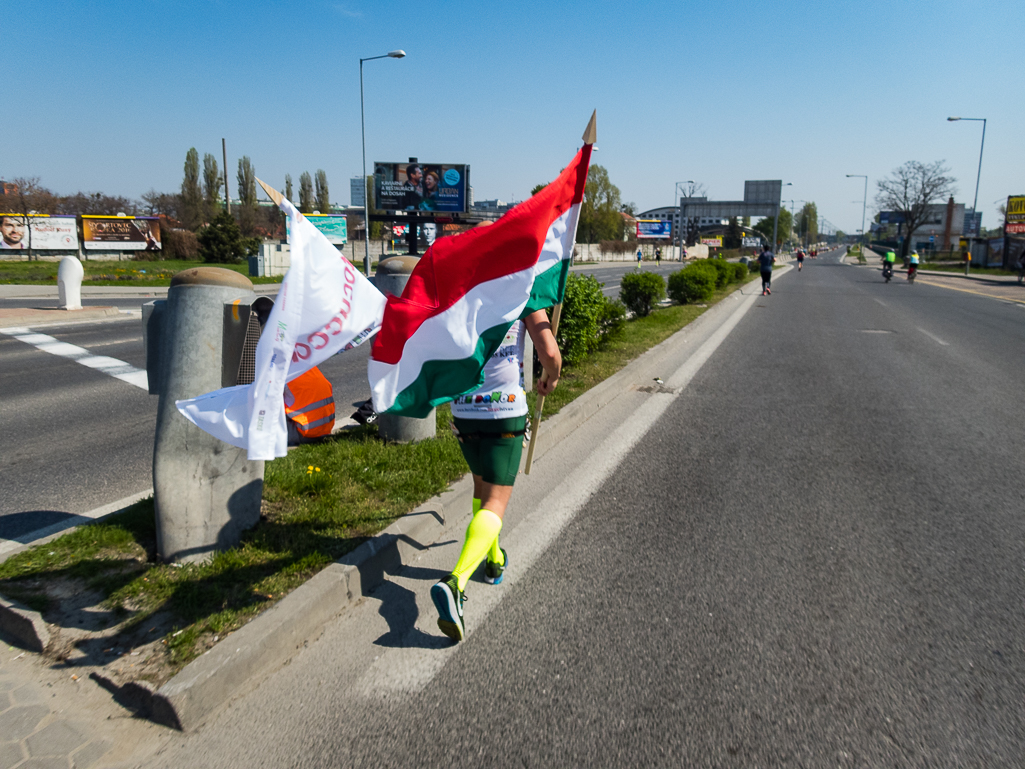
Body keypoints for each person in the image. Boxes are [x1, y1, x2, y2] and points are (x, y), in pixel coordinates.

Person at [431, 301, 562, 643]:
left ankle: (493, 560)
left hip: (463, 407)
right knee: (496, 502)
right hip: (504, 409)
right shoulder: (524, 287)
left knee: (481, 486)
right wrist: (553, 375)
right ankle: (455, 582)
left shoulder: (463, 286)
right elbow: (549, 351)